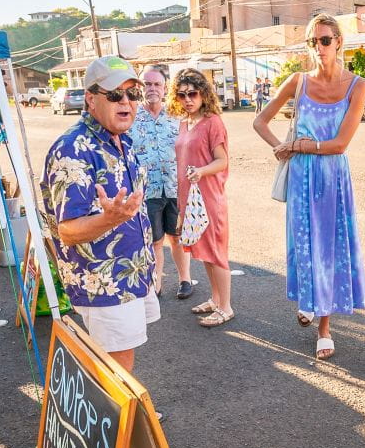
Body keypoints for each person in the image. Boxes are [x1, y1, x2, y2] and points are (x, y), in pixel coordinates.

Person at [252, 13, 365, 359]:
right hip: (302, 178)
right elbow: (260, 121)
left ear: (339, 42)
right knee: (304, 243)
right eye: (313, 41)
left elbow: (340, 144)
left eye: (325, 40)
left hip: (333, 177)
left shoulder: (357, 85)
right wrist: (281, 146)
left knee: (329, 248)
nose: (319, 47)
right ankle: (309, 298)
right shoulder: (298, 81)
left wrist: (301, 146)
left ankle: (325, 326)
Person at [40, 55, 159, 373]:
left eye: (133, 94)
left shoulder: (122, 141)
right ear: (91, 99)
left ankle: (125, 418)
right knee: (114, 369)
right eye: (115, 94)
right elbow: (67, 230)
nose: (127, 102)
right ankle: (123, 421)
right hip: (105, 283)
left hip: (132, 273)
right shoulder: (73, 149)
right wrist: (111, 219)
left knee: (122, 358)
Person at [168, 68, 233, 327]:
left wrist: (201, 172)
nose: (187, 99)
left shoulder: (213, 122)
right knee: (204, 252)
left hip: (209, 197)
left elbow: (222, 161)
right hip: (190, 198)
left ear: (204, 94)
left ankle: (226, 307)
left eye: (193, 93)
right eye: (182, 94)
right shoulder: (185, 122)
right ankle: (216, 299)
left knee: (216, 253)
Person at [128, 65, 193, 300]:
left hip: (175, 187)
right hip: (148, 191)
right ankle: (156, 284)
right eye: (148, 84)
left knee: (177, 237)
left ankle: (185, 280)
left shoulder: (177, 118)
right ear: (140, 87)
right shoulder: (132, 117)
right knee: (155, 240)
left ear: (165, 89)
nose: (152, 88)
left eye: (157, 84)